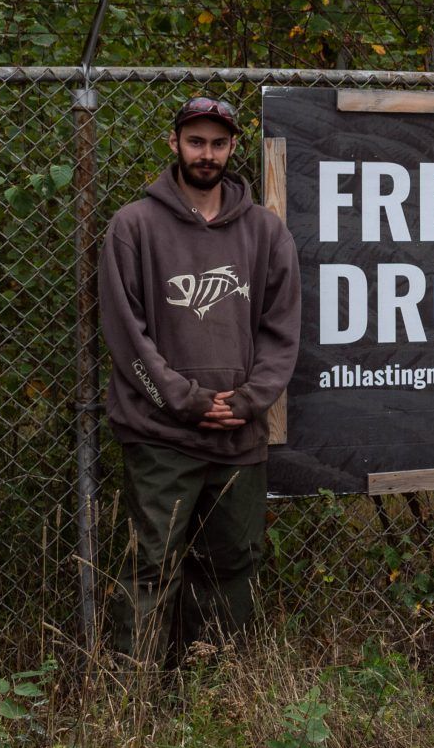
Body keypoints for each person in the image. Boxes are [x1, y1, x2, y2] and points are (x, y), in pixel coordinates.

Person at [98, 95, 301, 660]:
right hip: (160, 435)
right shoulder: (132, 227)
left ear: (233, 147)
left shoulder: (265, 232)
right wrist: (183, 399)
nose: (206, 154)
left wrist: (247, 401)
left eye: (217, 143)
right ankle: (131, 697)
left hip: (238, 434)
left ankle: (210, 695)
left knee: (232, 564)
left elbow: (281, 332)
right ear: (174, 144)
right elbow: (125, 334)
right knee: (151, 563)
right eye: (195, 142)